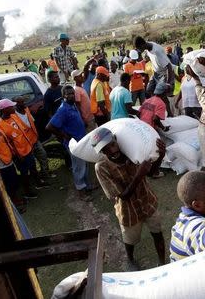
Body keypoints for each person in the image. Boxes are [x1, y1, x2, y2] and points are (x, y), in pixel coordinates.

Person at [92, 127, 167, 269]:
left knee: (157, 234)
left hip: (147, 202)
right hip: (128, 211)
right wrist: (140, 174)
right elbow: (123, 195)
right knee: (130, 240)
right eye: (106, 149)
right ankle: (130, 259)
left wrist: (161, 156)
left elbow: (150, 173)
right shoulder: (101, 167)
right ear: (101, 152)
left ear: (116, 140)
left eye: (112, 145)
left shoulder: (132, 151)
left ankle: (162, 262)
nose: (112, 150)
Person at [46, 86, 94, 201]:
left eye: (72, 93)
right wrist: (64, 135)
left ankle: (87, 186)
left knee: (85, 164)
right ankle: (81, 192)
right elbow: (49, 127)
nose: (71, 95)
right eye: (68, 94)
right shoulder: (63, 109)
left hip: (81, 141)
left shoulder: (72, 105)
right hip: (74, 145)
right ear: (63, 96)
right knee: (78, 167)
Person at [0, 99, 47, 200]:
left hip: (28, 148)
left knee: (33, 167)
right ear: (5, 109)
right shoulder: (1, 125)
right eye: (11, 106)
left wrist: (31, 143)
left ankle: (38, 183)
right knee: (24, 173)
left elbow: (23, 131)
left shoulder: (13, 116)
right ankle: (28, 192)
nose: (14, 108)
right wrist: (17, 155)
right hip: (19, 154)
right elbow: (8, 142)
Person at [13, 96, 55, 179]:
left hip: (34, 139)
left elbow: (32, 122)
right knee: (32, 163)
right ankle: (37, 178)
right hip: (26, 143)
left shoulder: (26, 110)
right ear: (16, 104)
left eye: (24, 101)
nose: (24, 103)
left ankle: (45, 174)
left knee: (43, 156)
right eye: (22, 102)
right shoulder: (13, 116)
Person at [134, 36, 175, 116]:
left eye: (139, 48)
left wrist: (168, 83)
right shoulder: (148, 46)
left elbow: (169, 67)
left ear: (143, 45)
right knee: (148, 92)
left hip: (165, 73)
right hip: (156, 73)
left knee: (160, 94)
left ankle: (169, 113)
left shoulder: (157, 51)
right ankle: (152, 111)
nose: (139, 51)